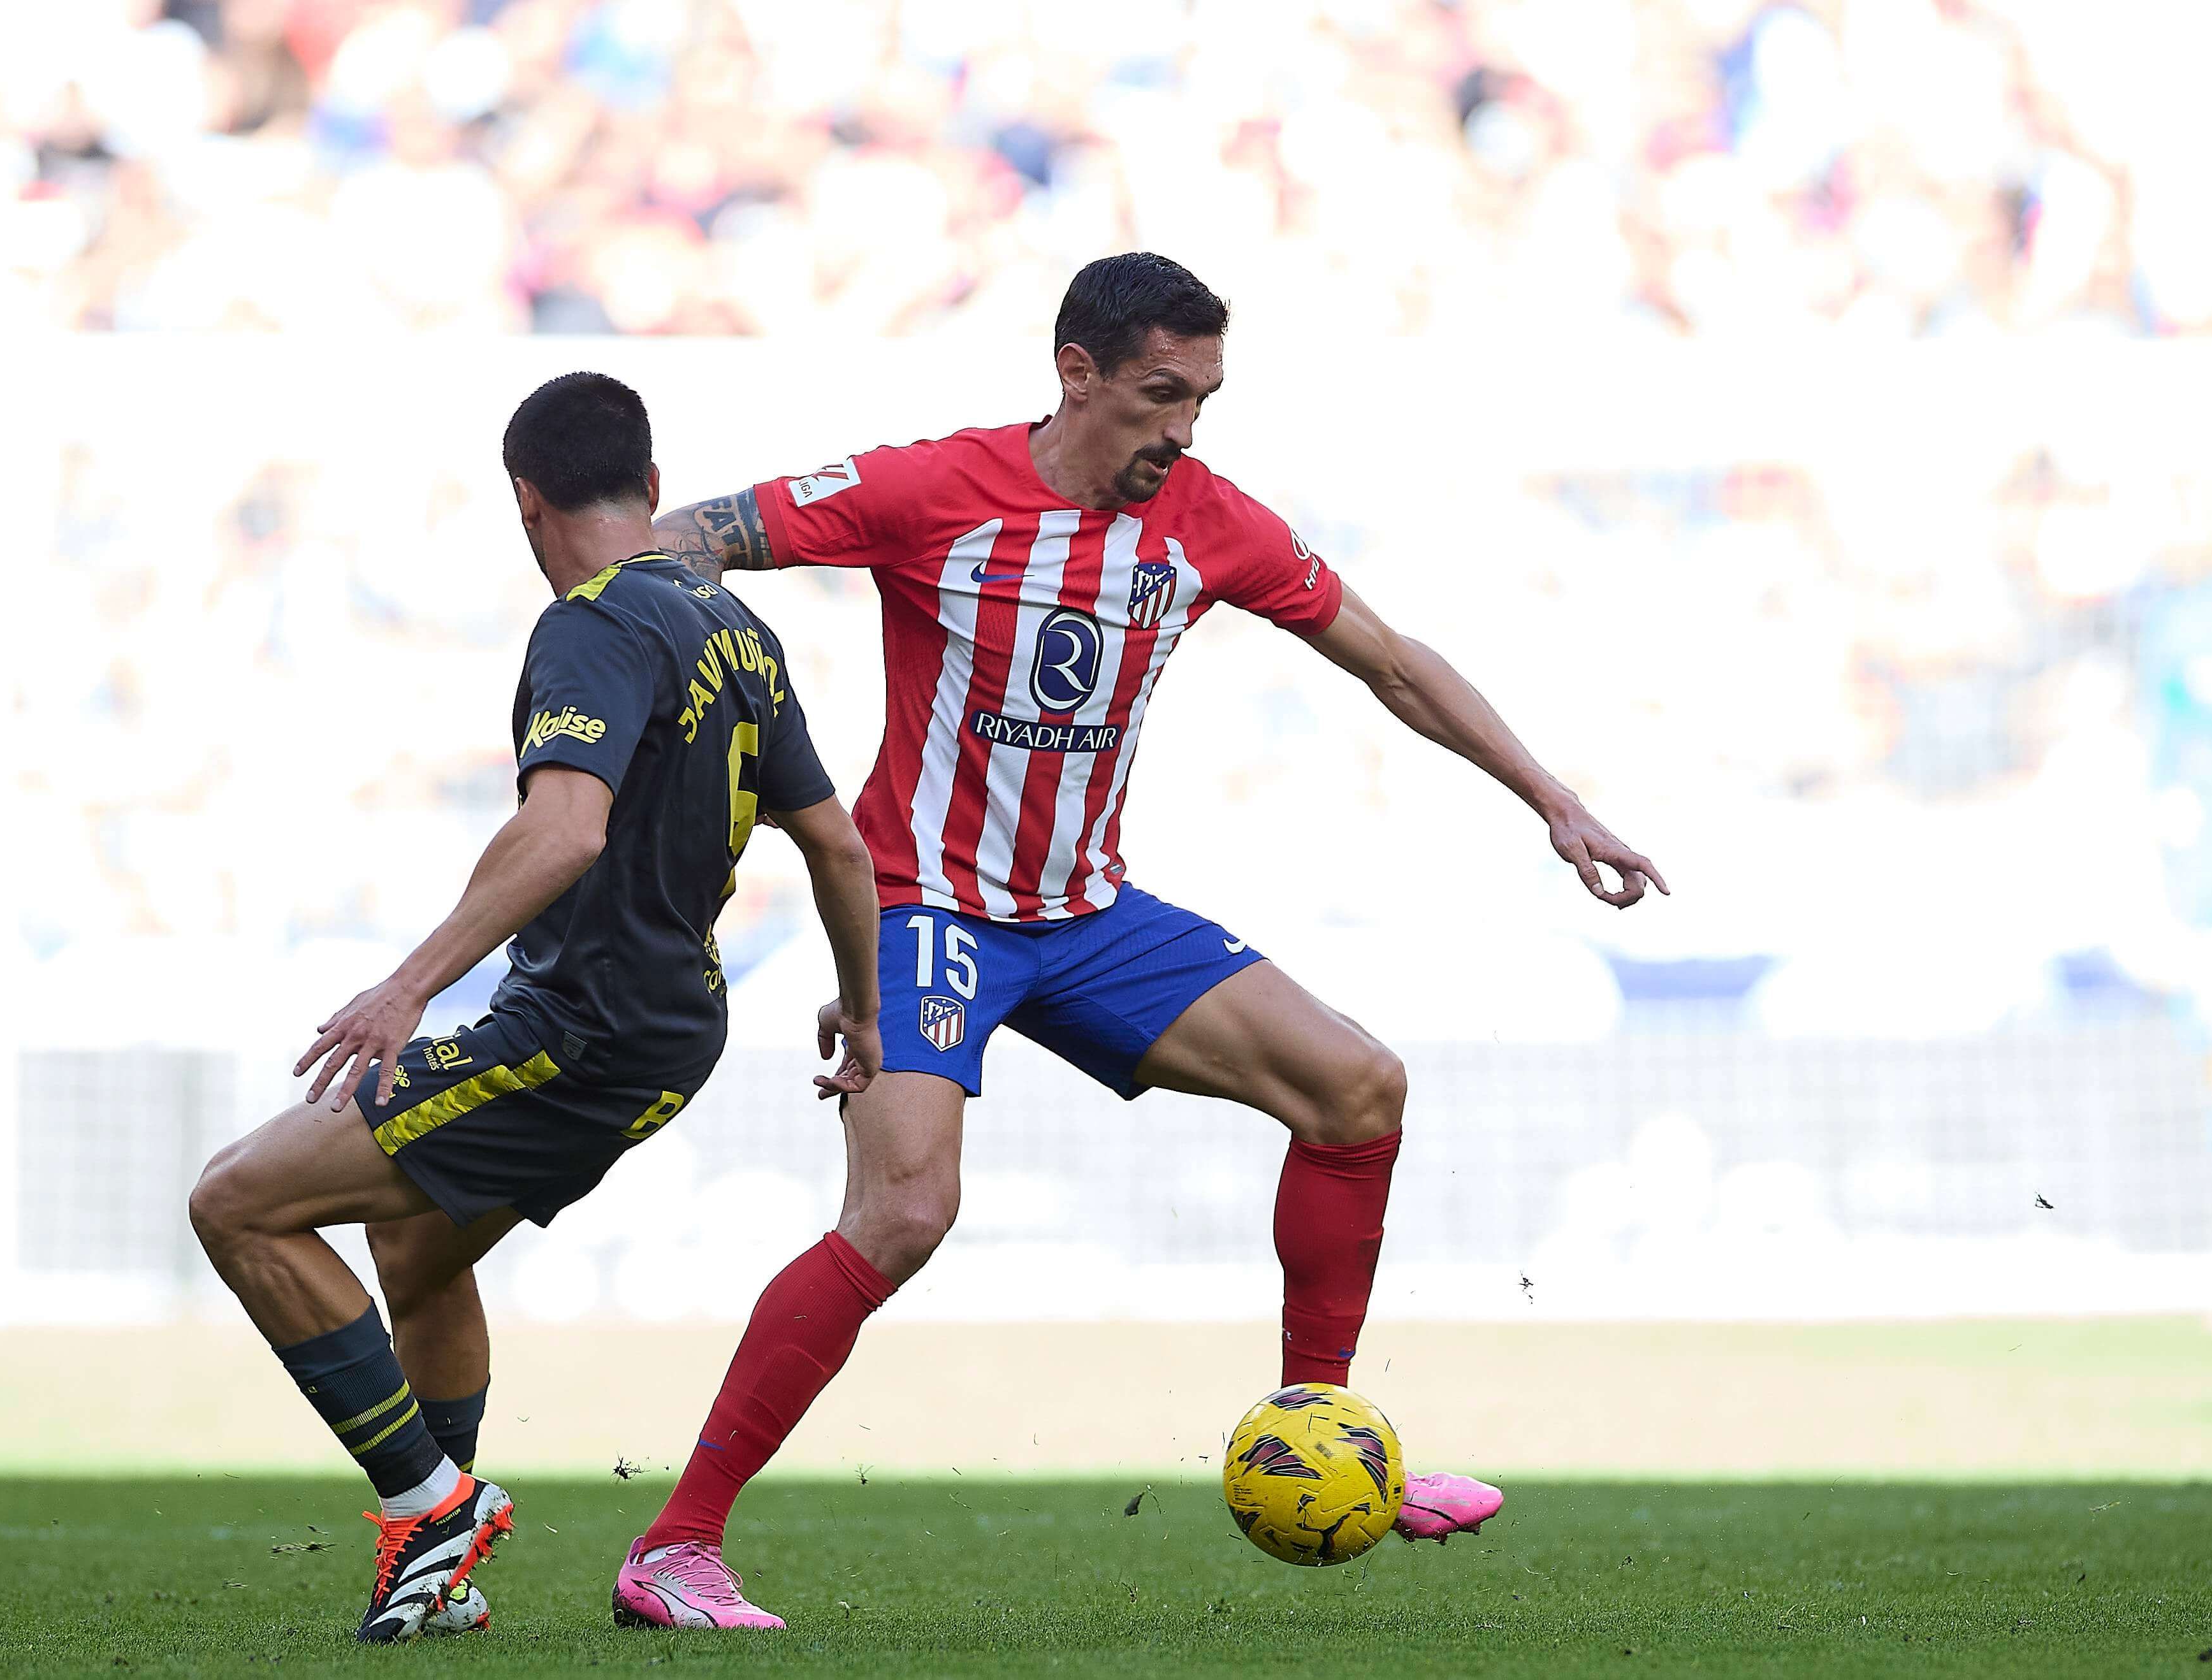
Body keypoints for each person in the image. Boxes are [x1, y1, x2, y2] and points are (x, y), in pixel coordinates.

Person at [613, 252, 1668, 1629]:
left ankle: (1324, 1427)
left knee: (1360, 1088)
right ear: (1078, 373)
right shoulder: (928, 489)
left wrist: (1556, 800)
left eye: (1205, 400)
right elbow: (679, 541)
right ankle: (676, 1546)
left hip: (1089, 913)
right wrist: (646, 683)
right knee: (906, 1212)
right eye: (1162, 395)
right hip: (927, 908)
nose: (1183, 430)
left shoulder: (1210, 521)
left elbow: (1394, 661)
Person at [187, 371, 882, 1643]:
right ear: (656, 488)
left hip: (581, 1027)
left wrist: (406, 985)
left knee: (236, 1201)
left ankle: (428, 1504)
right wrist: (865, 1010)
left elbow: (562, 830)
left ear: (526, 502)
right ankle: (436, 1572)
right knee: (416, 1243)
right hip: (675, 1023)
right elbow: (838, 846)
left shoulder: (593, 622)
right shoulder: (735, 625)